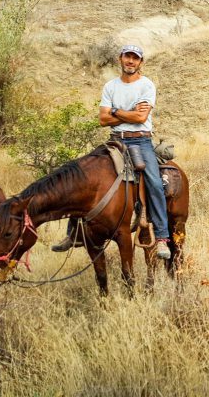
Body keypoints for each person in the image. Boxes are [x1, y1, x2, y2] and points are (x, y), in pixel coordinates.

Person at [51, 44, 171, 259]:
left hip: (141, 141)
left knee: (154, 182)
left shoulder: (146, 85)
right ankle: (74, 233)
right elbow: (103, 119)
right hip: (115, 140)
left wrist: (115, 112)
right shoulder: (110, 86)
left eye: (135, 58)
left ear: (140, 62)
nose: (131, 62)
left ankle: (162, 238)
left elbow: (141, 119)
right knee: (83, 173)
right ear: (120, 59)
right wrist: (126, 112)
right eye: (128, 57)